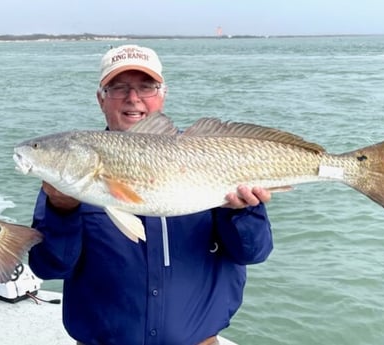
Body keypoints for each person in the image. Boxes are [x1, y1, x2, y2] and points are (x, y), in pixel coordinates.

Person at [28, 44, 274, 345]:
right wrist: (61, 211)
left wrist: (241, 210)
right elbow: (49, 267)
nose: (133, 99)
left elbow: (254, 252)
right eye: (118, 88)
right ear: (100, 99)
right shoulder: (69, 180)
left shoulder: (212, 156)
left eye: (147, 87)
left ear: (163, 95)